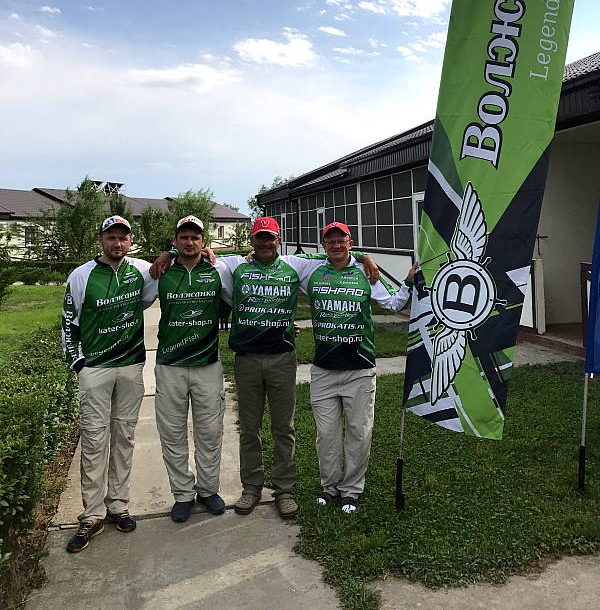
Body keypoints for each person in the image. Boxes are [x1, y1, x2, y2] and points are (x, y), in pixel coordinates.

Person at [151, 216, 378, 520]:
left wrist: (364, 256)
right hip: (247, 360)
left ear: (278, 240)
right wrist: (168, 253)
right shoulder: (234, 265)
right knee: (250, 428)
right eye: (260, 238)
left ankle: (284, 490)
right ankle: (252, 487)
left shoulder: (295, 264)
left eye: (270, 238)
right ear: (252, 240)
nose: (265, 243)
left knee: (284, 428)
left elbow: (334, 253)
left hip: (282, 359)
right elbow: (193, 252)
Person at [301, 221, 417, 514]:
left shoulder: (365, 273)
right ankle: (329, 487)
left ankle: (351, 490)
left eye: (341, 241)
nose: (336, 246)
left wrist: (408, 281)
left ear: (349, 243)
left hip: (360, 369)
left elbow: (393, 304)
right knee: (326, 435)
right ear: (323, 246)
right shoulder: (313, 270)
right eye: (330, 241)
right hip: (324, 369)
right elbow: (280, 259)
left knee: (359, 433)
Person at [61, 216, 157, 553]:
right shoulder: (81, 275)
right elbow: (68, 322)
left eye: (123, 238)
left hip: (130, 367)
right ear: (100, 240)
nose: (117, 243)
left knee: (124, 437)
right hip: (96, 369)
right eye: (111, 237)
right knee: (94, 440)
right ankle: (92, 515)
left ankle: (118, 505)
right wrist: (77, 362)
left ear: (130, 241)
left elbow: (173, 264)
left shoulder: (141, 271)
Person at [155, 215, 233, 522]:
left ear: (204, 242)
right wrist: (166, 256)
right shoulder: (160, 272)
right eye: (184, 237)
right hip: (170, 365)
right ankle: (183, 494)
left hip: (207, 364)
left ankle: (208, 490)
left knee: (210, 432)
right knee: (172, 433)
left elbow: (248, 288)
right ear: (174, 242)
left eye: (195, 237)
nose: (190, 242)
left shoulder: (218, 270)